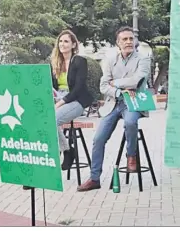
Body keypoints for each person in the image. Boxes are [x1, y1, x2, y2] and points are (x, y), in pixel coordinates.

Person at [77, 26, 150, 192]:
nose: (129, 42)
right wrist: (118, 91)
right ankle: (94, 178)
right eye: (124, 39)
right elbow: (103, 86)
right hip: (114, 103)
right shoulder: (110, 60)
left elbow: (137, 81)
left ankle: (131, 155)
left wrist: (115, 82)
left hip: (134, 101)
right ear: (118, 43)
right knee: (98, 139)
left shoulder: (143, 58)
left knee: (130, 123)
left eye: (131, 39)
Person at [51, 29, 94, 170]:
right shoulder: (55, 62)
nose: (62, 44)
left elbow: (78, 88)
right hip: (59, 98)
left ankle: (65, 151)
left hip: (77, 100)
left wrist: (60, 103)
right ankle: (66, 151)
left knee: (53, 119)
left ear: (74, 45)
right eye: (61, 41)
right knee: (43, 119)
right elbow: (53, 86)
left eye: (66, 41)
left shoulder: (79, 61)